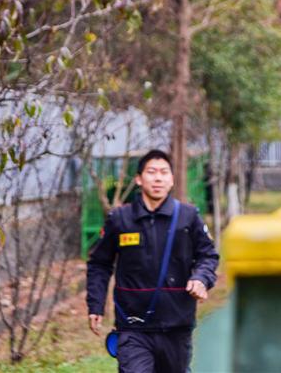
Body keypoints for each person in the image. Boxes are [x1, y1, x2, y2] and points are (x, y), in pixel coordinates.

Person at [87, 149, 219, 373]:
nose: (158, 178)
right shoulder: (120, 219)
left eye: (164, 172)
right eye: (151, 172)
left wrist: (201, 279)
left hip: (176, 325)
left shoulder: (188, 217)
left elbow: (208, 255)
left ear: (172, 179)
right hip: (132, 327)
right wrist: (95, 304)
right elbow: (99, 263)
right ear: (139, 179)